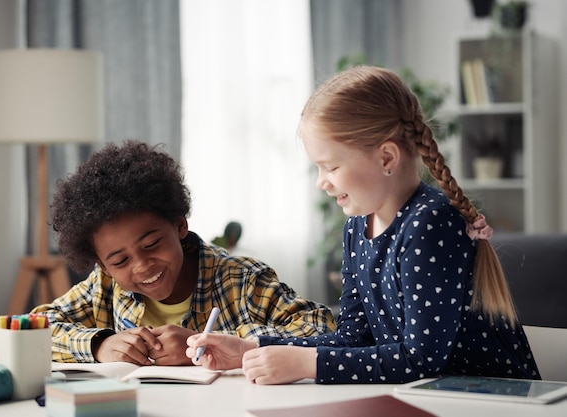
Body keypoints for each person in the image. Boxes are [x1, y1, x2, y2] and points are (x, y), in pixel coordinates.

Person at [186, 65, 540, 384]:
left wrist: (307, 363)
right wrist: (250, 348)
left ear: (386, 157)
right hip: (423, 398)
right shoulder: (357, 227)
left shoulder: (429, 223)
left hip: (490, 399)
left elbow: (422, 360)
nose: (321, 182)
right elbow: (353, 338)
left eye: (331, 167)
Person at [30, 140, 336, 365]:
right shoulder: (104, 285)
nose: (142, 266)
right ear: (104, 265)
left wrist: (208, 345)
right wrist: (100, 345)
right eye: (120, 260)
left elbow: (321, 327)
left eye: (151, 245)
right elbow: (33, 328)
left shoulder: (242, 280)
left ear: (179, 225)